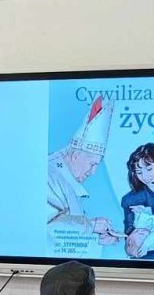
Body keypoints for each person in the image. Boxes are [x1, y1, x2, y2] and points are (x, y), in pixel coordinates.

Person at [47, 96, 119, 243]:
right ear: (76, 156)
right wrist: (91, 226)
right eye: (92, 164)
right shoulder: (49, 175)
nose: (93, 172)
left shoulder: (63, 175)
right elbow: (47, 229)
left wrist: (96, 238)